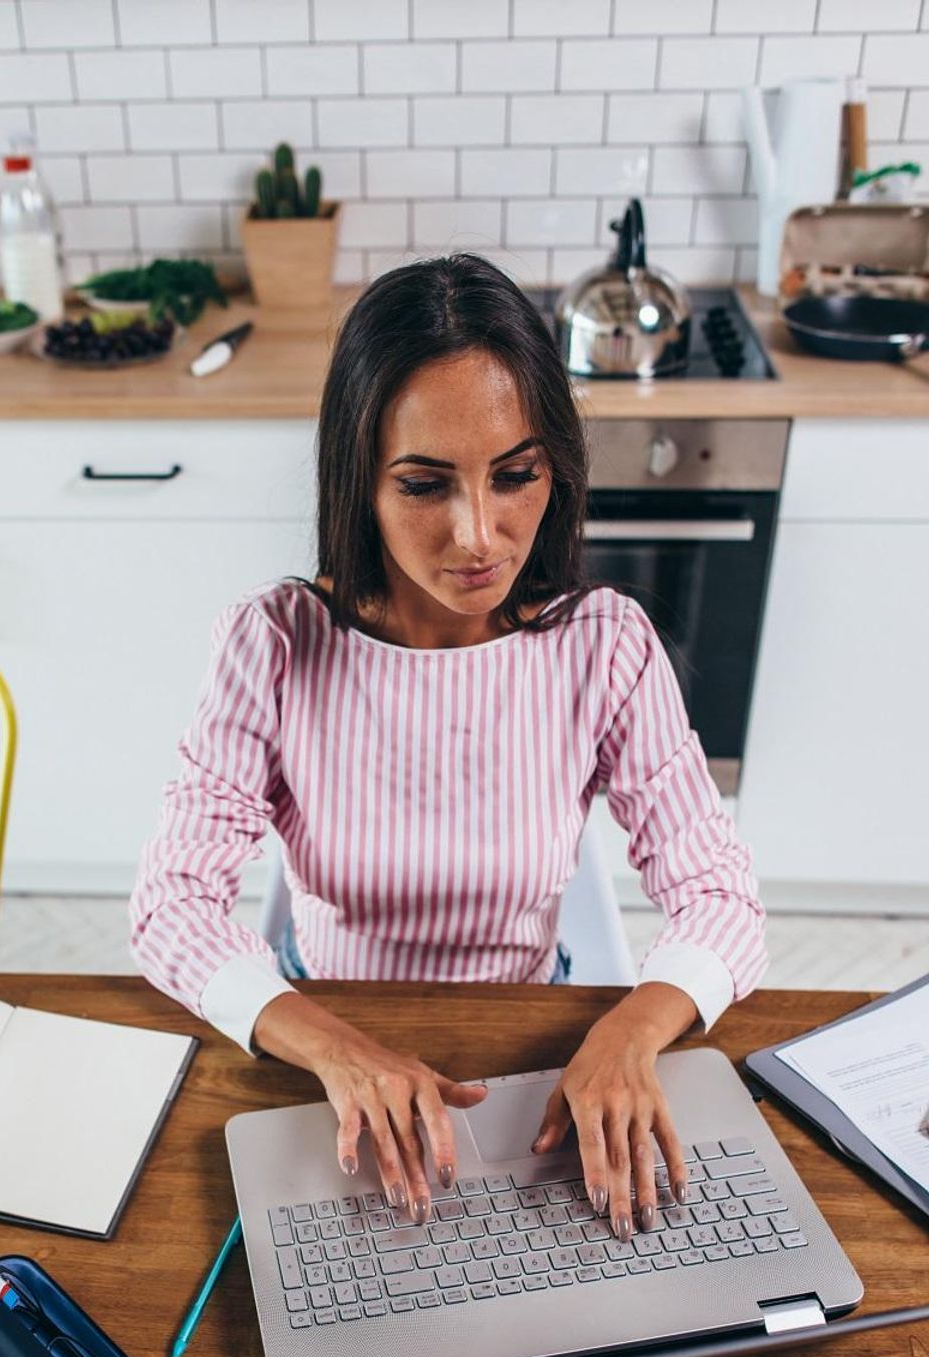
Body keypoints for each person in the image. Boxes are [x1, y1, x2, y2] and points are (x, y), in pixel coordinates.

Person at [129, 252, 768, 1248]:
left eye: (514, 476)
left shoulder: (603, 646)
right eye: (427, 484)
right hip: (322, 1033)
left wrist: (631, 1029)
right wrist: (337, 1049)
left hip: (525, 1044)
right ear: (360, 481)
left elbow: (723, 898)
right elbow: (171, 906)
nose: (480, 535)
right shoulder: (277, 643)